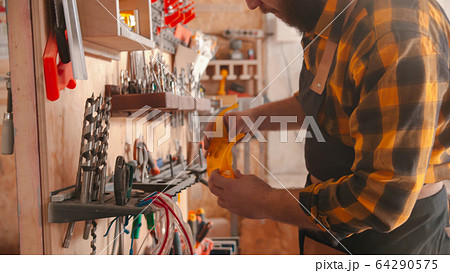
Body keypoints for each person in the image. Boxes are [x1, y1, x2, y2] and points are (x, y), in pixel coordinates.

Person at [204, 0, 450, 254]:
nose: (252, 4)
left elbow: (381, 202)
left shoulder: (393, 34)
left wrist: (264, 201)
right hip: (329, 223)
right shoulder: (327, 16)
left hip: (391, 241)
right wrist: (249, 120)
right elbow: (321, 105)